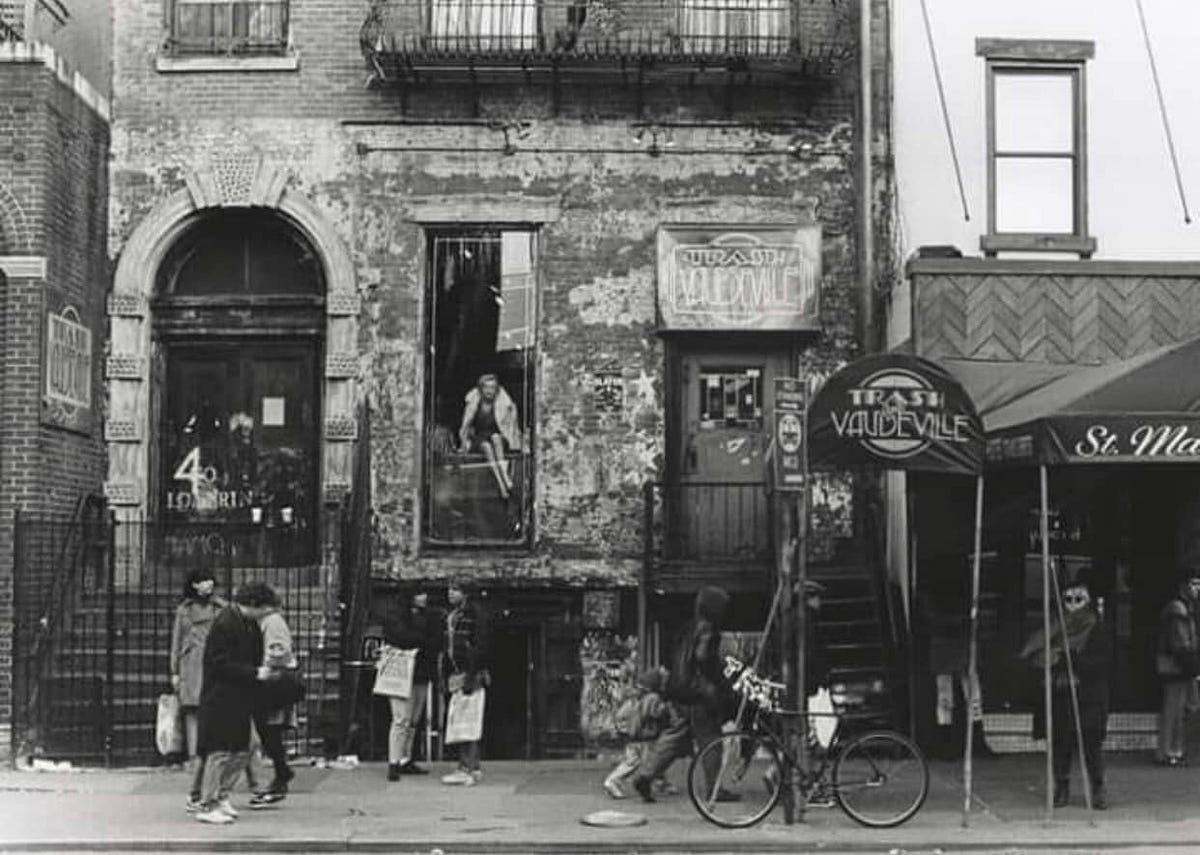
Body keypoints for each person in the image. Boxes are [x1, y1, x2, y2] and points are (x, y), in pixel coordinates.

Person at [632, 586, 737, 803]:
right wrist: (716, 682)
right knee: (712, 742)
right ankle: (713, 789)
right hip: (698, 696)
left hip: (679, 692)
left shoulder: (689, 629)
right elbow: (701, 658)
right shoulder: (708, 631)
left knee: (674, 738)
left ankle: (645, 774)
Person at [1020, 575, 1113, 809]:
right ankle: (1061, 788)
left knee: (1090, 744)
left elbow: (1103, 664)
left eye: (1079, 599)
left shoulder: (1097, 628)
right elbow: (1035, 652)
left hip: (1088, 694)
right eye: (1068, 599)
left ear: (1088, 601)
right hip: (1059, 693)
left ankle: (1097, 789)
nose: (1073, 604)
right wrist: (1051, 659)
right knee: (1060, 743)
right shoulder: (1054, 626)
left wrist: (1073, 659)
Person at [193, 582, 280, 825]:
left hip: (237, 696)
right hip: (221, 697)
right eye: (265, 609)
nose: (267, 614)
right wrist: (254, 673)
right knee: (220, 750)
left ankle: (220, 795)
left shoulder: (247, 623)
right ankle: (208, 802)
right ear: (253, 605)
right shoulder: (226, 624)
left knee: (246, 747)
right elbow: (219, 664)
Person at [171, 569, 226, 812]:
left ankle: (201, 763)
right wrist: (174, 671)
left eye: (209, 579)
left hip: (211, 665)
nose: (207, 584)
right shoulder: (184, 610)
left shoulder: (221, 608)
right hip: (191, 665)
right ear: (193, 585)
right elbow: (176, 641)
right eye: (202, 580)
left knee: (207, 714)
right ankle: (194, 758)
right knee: (192, 712)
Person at [382, 588, 442, 780]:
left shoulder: (427, 616)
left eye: (424, 593)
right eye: (419, 594)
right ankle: (394, 762)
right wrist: (422, 640)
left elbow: (435, 641)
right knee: (401, 719)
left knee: (414, 719)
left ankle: (406, 758)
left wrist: (418, 640)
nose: (424, 597)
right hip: (402, 672)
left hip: (421, 672)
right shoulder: (397, 615)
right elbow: (400, 636)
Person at [247, 601, 302, 807]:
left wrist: (263, 666)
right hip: (271, 681)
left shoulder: (271, 621)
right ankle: (279, 773)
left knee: (268, 728)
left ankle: (279, 773)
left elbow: (279, 651)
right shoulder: (266, 621)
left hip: (272, 682)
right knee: (268, 729)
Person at [441, 583, 492, 786]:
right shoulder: (454, 615)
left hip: (468, 673)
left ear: (465, 593)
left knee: (467, 722)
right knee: (462, 720)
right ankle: (473, 765)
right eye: (449, 590)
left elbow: (479, 646)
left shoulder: (474, 615)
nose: (450, 594)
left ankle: (467, 767)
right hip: (457, 672)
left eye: (455, 590)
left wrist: (472, 673)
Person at [1155, 568, 1200, 767]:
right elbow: (1180, 644)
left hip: (1179, 665)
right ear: (1184, 586)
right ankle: (1169, 751)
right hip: (1177, 666)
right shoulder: (1179, 609)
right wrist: (1193, 667)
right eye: (1194, 584)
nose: (1197, 589)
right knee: (1176, 709)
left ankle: (1174, 750)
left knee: (1183, 707)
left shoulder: (1184, 607)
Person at [603, 666, 670, 799]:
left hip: (636, 736)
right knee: (634, 762)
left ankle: (661, 782)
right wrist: (664, 709)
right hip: (643, 737)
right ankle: (612, 781)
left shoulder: (639, 697)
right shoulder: (653, 698)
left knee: (654, 758)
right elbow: (652, 713)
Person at [459, 374, 521, 499]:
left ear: (496, 389)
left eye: (492, 387)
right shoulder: (474, 403)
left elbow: (511, 425)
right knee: (486, 446)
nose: (489, 391)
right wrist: (464, 442)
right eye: (486, 387)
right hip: (480, 438)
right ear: (481, 389)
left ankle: (505, 476)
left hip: (498, 436)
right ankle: (502, 485)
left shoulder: (502, 403)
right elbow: (466, 425)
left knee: (495, 438)